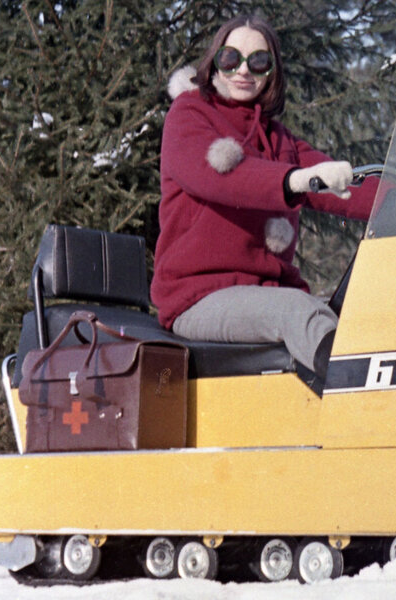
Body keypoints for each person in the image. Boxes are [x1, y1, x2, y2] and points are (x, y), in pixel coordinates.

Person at [152, 15, 376, 385]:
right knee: (299, 313)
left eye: (258, 61)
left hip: (266, 294)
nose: (243, 70)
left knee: (355, 314)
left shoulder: (278, 139)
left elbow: (347, 186)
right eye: (230, 59)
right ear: (215, 63)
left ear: (271, 72)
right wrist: (294, 180)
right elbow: (219, 176)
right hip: (198, 297)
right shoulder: (189, 115)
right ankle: (367, 406)